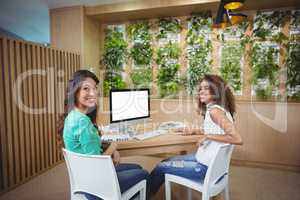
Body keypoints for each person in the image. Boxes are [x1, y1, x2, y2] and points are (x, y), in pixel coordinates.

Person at [58, 70, 148, 200]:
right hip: (97, 184)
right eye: (86, 89)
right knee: (143, 173)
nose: (93, 93)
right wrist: (113, 146)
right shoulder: (82, 122)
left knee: (137, 167)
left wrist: (113, 148)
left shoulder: (73, 116)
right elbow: (98, 163)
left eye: (94, 88)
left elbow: (90, 146)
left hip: (86, 178)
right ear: (75, 91)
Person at [148, 74, 243, 198]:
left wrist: (208, 136)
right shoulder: (219, 109)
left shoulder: (215, 112)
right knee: (166, 161)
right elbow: (217, 131)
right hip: (204, 161)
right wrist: (195, 130)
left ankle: (143, 195)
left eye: (206, 88)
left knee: (161, 167)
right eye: (200, 89)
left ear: (216, 91)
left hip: (203, 168)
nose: (201, 92)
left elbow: (237, 139)